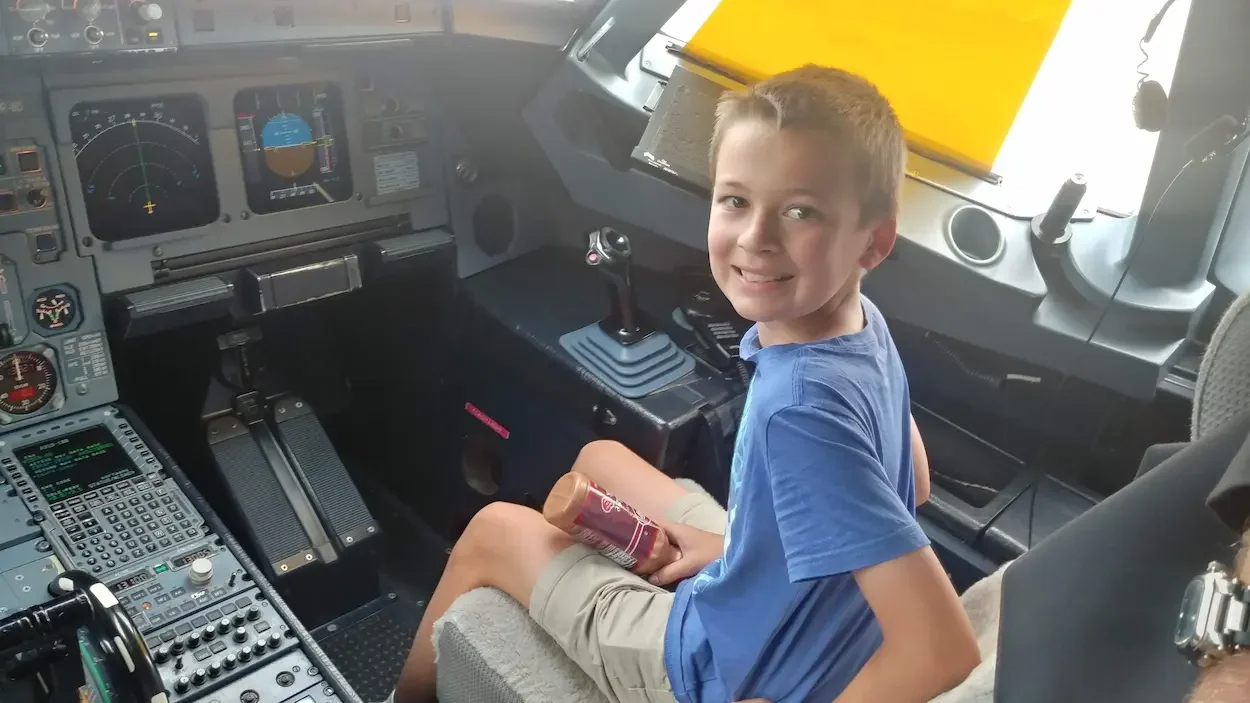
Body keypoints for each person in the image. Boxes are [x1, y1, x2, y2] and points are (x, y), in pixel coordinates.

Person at [390, 64, 979, 703]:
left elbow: (942, 650)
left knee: (494, 531)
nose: (756, 238)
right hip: (791, 612)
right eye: (736, 200)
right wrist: (736, 549)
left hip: (720, 669)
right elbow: (910, 484)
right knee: (601, 459)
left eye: (801, 211)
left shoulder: (799, 411)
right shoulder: (863, 326)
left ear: (875, 240)